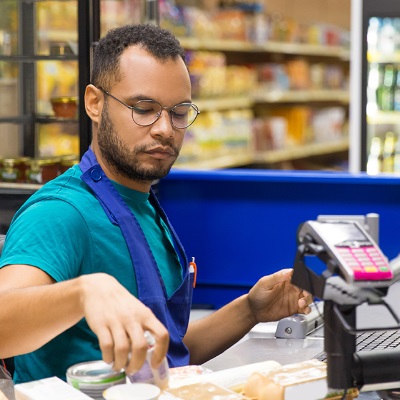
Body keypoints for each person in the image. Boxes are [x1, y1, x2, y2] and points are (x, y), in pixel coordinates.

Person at [0, 23, 312, 384]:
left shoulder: (143, 204)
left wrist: (250, 309)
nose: (164, 128)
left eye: (178, 112)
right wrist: (83, 292)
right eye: (144, 108)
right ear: (95, 103)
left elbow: (167, 352)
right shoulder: (62, 214)